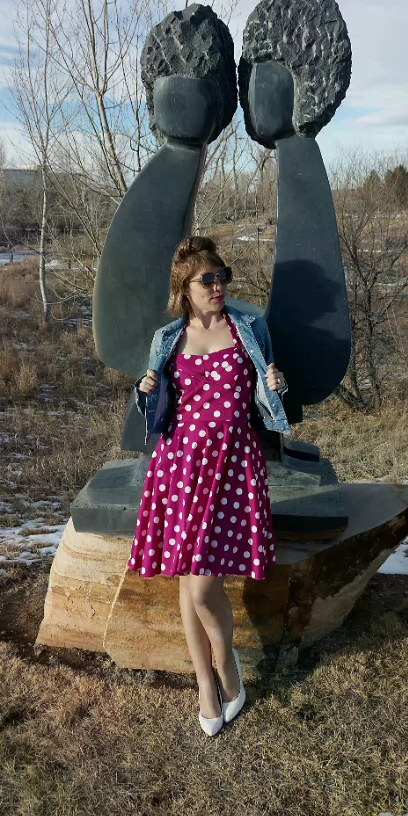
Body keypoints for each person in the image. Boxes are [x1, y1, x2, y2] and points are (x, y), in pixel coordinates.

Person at [128, 236, 290, 737]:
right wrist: (145, 390)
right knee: (187, 579)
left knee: (202, 586)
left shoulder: (248, 329)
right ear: (185, 287)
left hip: (232, 466)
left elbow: (266, 392)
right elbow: (156, 407)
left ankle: (226, 666)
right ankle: (205, 682)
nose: (219, 286)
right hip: (179, 468)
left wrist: (277, 385)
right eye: (208, 279)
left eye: (223, 277)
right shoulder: (168, 339)